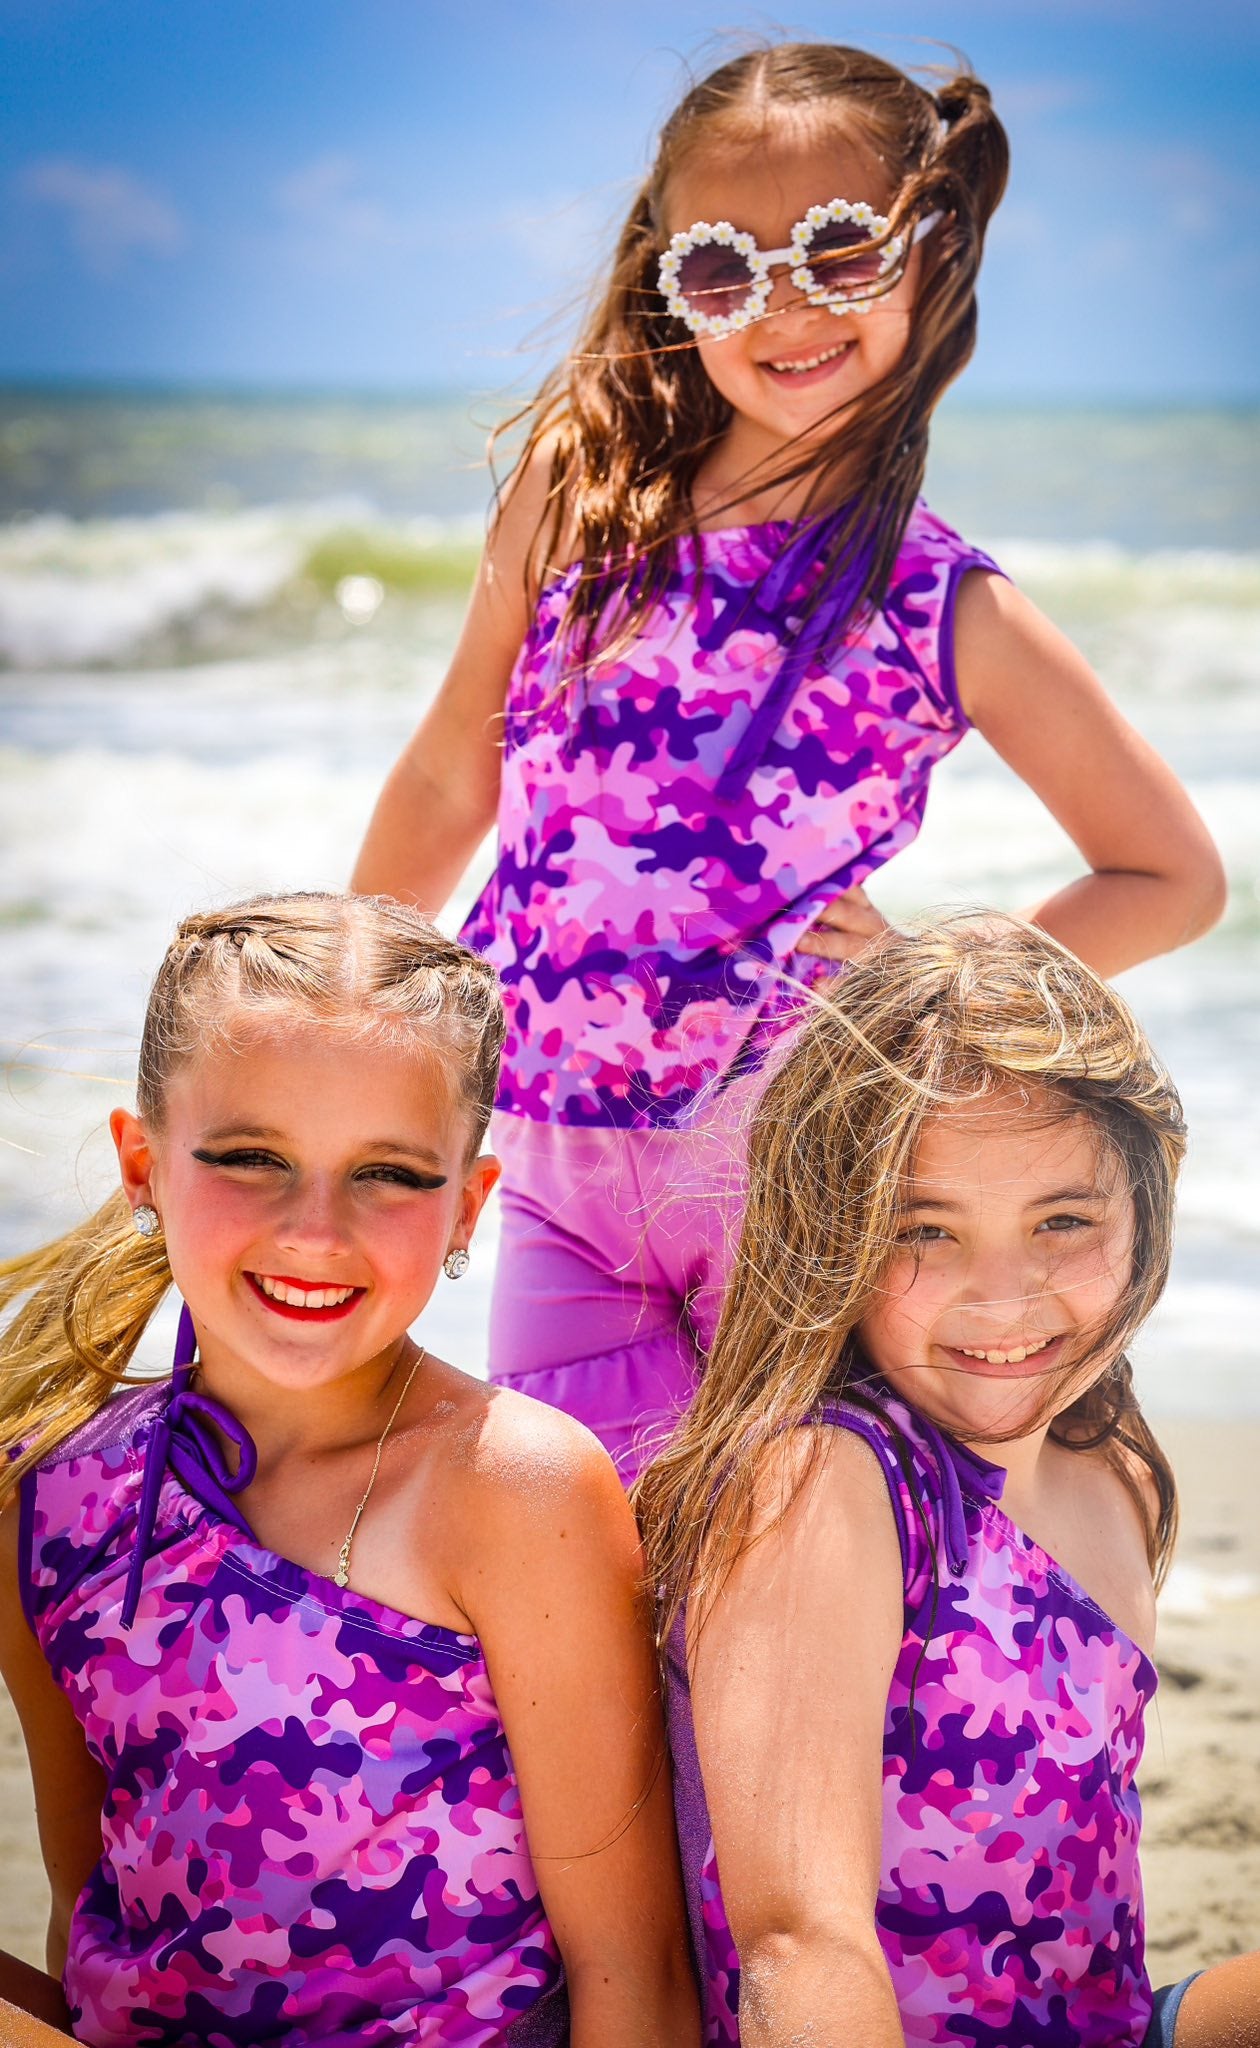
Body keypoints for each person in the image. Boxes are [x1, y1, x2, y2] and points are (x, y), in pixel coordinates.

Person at [352, 43, 1226, 1480]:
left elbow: (1170, 874)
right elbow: (455, 775)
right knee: (570, 1529)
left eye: (837, 250)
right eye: (723, 268)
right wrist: (352, 1007)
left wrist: (936, 987)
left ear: (926, 251)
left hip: (789, 1159)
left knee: (776, 1540)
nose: (785, 306)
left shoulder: (937, 599)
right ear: (670, 283)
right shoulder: (577, 503)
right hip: (558, 1159)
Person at [0, 893, 700, 2048]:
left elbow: (639, 1974)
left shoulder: (513, 1487)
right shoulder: (52, 1500)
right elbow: (89, 1921)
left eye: (388, 1173)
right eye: (250, 1157)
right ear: (142, 1164)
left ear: (468, 1204)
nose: (316, 1230)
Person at [635, 915, 1260, 2048]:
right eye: (925, 1230)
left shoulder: (1108, 1461)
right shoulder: (825, 1484)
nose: (1004, 1297)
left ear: (1150, 1201)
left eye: (1062, 1221)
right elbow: (799, 1943)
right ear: (829, 1232)